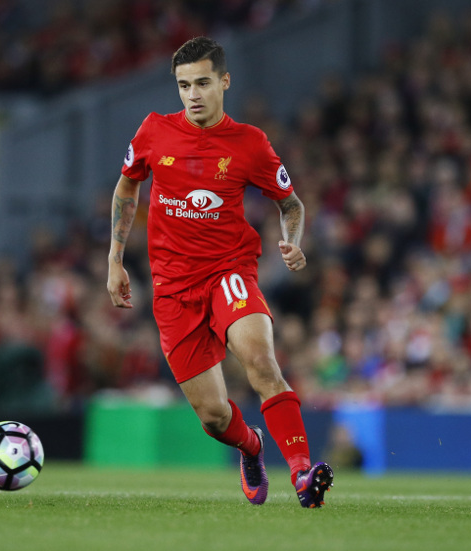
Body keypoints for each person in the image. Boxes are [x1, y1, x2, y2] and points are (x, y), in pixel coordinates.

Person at [106, 37, 333, 508]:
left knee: (260, 361)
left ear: (224, 82)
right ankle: (252, 446)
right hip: (172, 288)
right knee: (212, 415)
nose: (192, 95)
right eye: (184, 85)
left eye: (203, 83)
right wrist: (115, 256)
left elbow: (290, 204)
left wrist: (292, 239)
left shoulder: (250, 144)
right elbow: (127, 186)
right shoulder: (153, 131)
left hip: (228, 271)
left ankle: (302, 474)